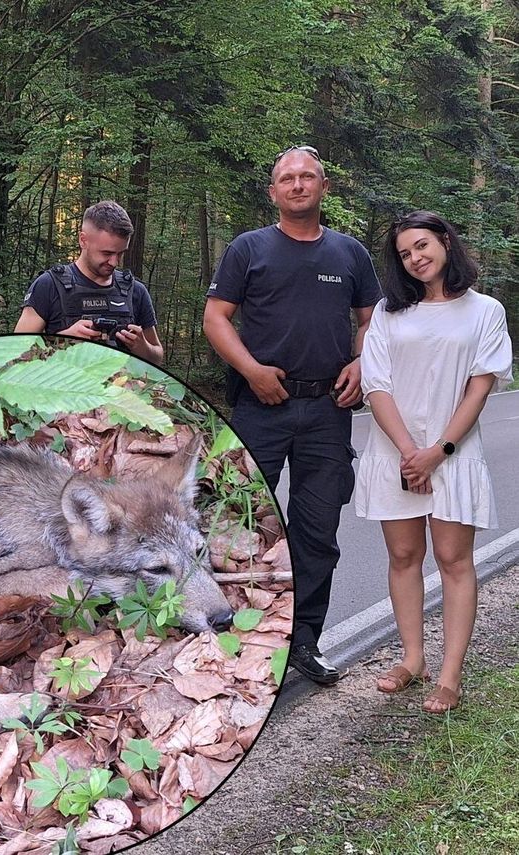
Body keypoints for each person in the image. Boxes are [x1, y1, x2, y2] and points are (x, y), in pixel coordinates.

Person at [204, 145, 382, 685]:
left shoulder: (350, 254)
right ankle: (231, 638)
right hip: (260, 407)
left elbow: (373, 319)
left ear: (323, 186)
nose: (298, 185)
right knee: (239, 522)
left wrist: (360, 362)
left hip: (329, 411)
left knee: (317, 531)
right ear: (273, 191)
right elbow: (215, 318)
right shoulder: (248, 249)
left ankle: (303, 641)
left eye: (308, 177)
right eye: (288, 179)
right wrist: (253, 369)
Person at [356, 211, 511, 713]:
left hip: (453, 453)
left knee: (453, 559)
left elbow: (480, 387)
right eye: (405, 253)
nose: (416, 258)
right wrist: (408, 453)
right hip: (396, 452)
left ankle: (449, 674)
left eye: (422, 245)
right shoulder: (388, 311)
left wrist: (437, 452)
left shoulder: (484, 310)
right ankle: (413, 659)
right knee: (403, 557)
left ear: (445, 240)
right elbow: (375, 383)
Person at [14, 200, 164, 364]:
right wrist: (62, 341)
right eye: (107, 253)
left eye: (120, 253)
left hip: (121, 388)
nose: (114, 262)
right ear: (83, 240)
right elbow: (15, 353)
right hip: (64, 386)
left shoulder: (135, 291)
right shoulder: (49, 286)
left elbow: (157, 357)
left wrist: (142, 348)